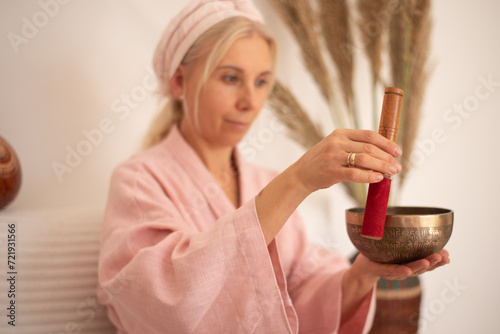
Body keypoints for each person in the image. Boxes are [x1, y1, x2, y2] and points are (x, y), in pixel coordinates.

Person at [97, 0, 450, 333]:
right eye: (231, 78)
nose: (250, 102)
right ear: (179, 82)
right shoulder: (138, 181)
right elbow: (162, 305)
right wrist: (297, 179)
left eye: (262, 81)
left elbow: (292, 299)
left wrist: (360, 276)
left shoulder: (262, 182)